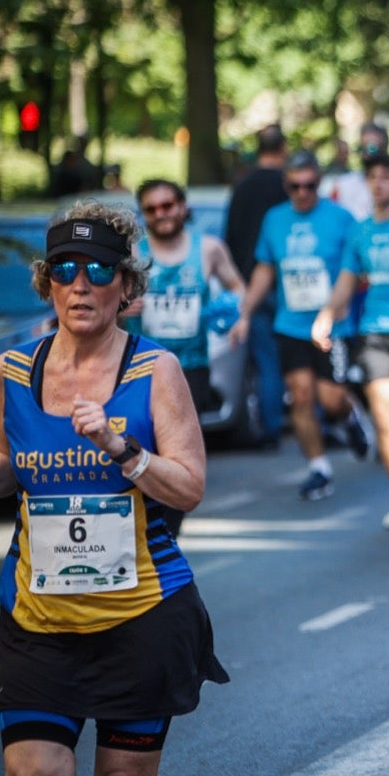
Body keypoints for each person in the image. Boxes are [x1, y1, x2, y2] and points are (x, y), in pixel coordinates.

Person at [0, 201, 227, 776]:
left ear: (126, 288)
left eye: (99, 271)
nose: (81, 284)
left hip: (140, 614)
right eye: (64, 270)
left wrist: (122, 448)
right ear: (46, 283)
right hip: (39, 616)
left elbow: (190, 486)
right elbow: (12, 461)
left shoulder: (153, 371)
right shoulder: (15, 370)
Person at [232, 151, 368, 501]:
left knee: (331, 399)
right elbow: (265, 268)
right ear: (285, 184)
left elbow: (357, 270)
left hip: (333, 327)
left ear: (319, 182)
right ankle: (319, 468)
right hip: (290, 324)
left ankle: (348, 417)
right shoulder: (275, 219)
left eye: (309, 185)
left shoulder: (341, 218)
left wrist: (338, 306)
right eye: (295, 186)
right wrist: (245, 311)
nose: (302, 193)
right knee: (302, 396)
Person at [312, 152, 389, 529]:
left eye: (386, 177)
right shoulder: (360, 231)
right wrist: (327, 316)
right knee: (386, 415)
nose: (379, 183)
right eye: (373, 177)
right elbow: (347, 280)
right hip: (375, 331)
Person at [124, 180, 246, 533]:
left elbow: (238, 289)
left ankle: (166, 533)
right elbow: (104, 305)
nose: (161, 214)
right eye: (152, 209)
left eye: (168, 206)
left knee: (179, 456)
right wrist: (123, 307)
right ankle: (147, 528)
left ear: (181, 207)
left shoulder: (208, 250)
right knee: (142, 450)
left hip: (190, 368)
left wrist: (238, 320)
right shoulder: (132, 255)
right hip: (140, 369)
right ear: (143, 214)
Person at [224, 125, 290, 446]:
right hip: (285, 281)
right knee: (288, 354)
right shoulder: (288, 185)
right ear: (283, 148)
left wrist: (237, 281)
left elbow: (230, 236)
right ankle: (305, 419)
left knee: (265, 359)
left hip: (249, 281)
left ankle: (270, 426)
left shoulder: (243, 187)